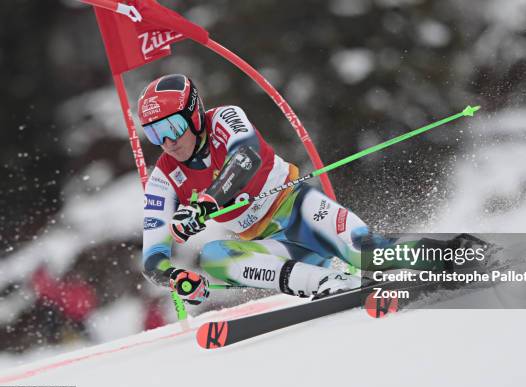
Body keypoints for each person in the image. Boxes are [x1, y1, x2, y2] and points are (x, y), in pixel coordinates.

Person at [138, 74, 473, 306]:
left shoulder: (225, 118)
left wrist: (205, 204)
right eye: (155, 134)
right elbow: (153, 259)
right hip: (265, 243)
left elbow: (246, 159)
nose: (167, 142)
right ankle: (330, 283)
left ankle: (462, 254)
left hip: (299, 208)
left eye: (172, 127)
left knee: (367, 253)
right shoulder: (163, 178)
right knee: (213, 257)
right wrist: (179, 278)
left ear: (194, 114)